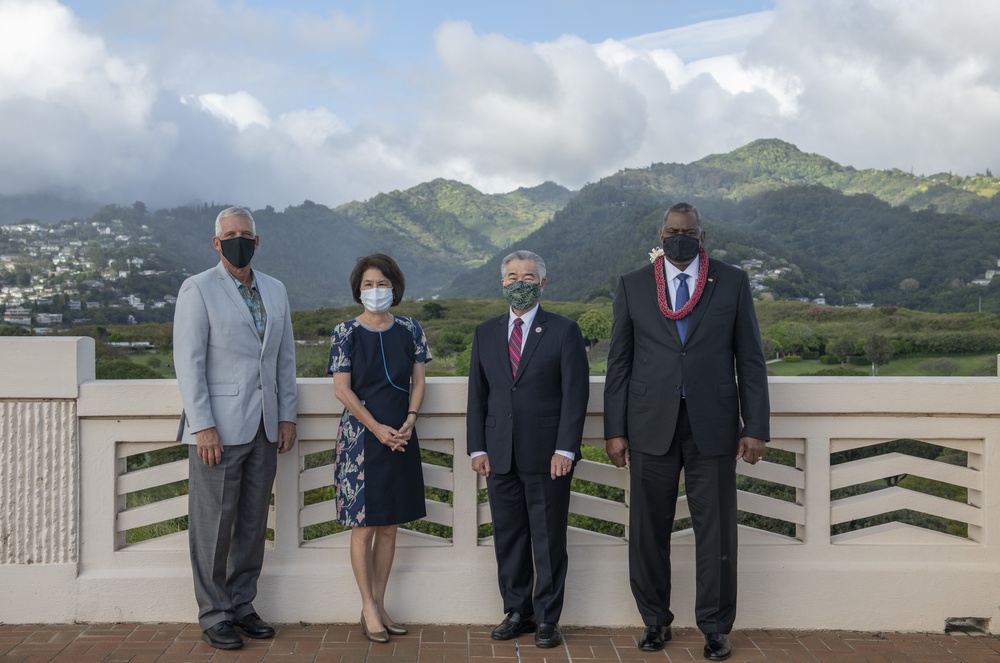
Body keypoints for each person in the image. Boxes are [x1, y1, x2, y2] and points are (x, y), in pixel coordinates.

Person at [603, 202, 770, 662]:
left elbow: (750, 359)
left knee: (715, 531)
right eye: (673, 231)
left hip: (712, 425)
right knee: (647, 530)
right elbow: (618, 364)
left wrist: (755, 425)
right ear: (662, 234)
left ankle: (716, 627)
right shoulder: (634, 284)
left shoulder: (731, 281)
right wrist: (614, 429)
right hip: (648, 425)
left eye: (688, 231)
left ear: (702, 236)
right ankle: (655, 621)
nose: (680, 237)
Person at [173, 206, 298, 650]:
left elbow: (283, 358)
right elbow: (189, 364)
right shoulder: (198, 289)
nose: (238, 239)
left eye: (245, 233)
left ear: (257, 241)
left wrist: (287, 415)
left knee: (250, 523)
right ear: (216, 242)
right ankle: (214, 613)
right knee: (213, 526)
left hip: (265, 425)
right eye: (230, 234)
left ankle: (243, 605)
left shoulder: (277, 290)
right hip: (218, 431)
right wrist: (203, 426)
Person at [466, 250, 590, 649]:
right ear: (503, 283)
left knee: (548, 539)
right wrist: (476, 448)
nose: (521, 282)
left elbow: (575, 395)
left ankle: (548, 619)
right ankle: (518, 610)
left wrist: (566, 449)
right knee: (509, 537)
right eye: (514, 276)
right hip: (499, 453)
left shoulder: (564, 330)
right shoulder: (485, 332)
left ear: (542, 283)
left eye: (530, 276)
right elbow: (477, 396)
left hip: (547, 456)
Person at [328, 253, 430, 644]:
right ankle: (367, 605)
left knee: (390, 526)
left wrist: (410, 419)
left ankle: (381, 604)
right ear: (358, 290)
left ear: (395, 287)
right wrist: (376, 429)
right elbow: (342, 389)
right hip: (360, 438)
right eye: (368, 285)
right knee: (364, 526)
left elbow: (419, 380)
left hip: (401, 434)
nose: (375, 291)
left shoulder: (411, 328)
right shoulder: (345, 332)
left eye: (382, 284)